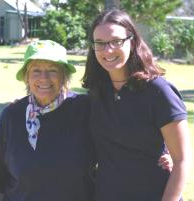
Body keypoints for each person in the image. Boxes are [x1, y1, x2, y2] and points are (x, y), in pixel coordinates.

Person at [82, 9, 191, 201]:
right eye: (99, 43)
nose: (107, 50)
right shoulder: (96, 93)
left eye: (116, 41)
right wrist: (24, 104)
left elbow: (182, 160)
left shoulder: (158, 92)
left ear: (132, 41)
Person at [0, 40, 96, 201]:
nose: (44, 78)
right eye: (36, 71)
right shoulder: (11, 117)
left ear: (64, 76)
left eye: (52, 70)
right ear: (26, 77)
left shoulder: (85, 109)